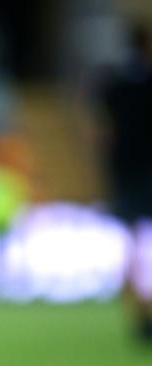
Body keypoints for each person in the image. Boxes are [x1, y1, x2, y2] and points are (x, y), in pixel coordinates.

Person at [97, 23, 152, 342]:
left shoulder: (113, 83)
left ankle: (137, 312)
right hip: (145, 170)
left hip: (122, 171)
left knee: (131, 243)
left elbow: (100, 128)